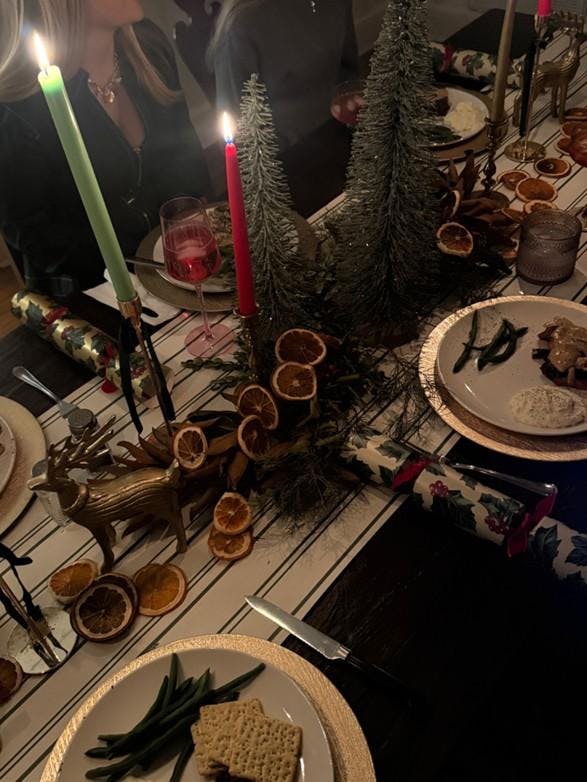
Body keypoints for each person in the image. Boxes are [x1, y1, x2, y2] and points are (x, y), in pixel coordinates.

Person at [0, 0, 211, 299]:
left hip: (179, 277)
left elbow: (188, 168)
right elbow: (39, 240)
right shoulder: (15, 111)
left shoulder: (149, 47)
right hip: (91, 300)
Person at [210, 0, 359, 148]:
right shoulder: (241, 26)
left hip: (343, 133)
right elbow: (240, 137)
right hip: (287, 154)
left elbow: (349, 70)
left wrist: (352, 99)